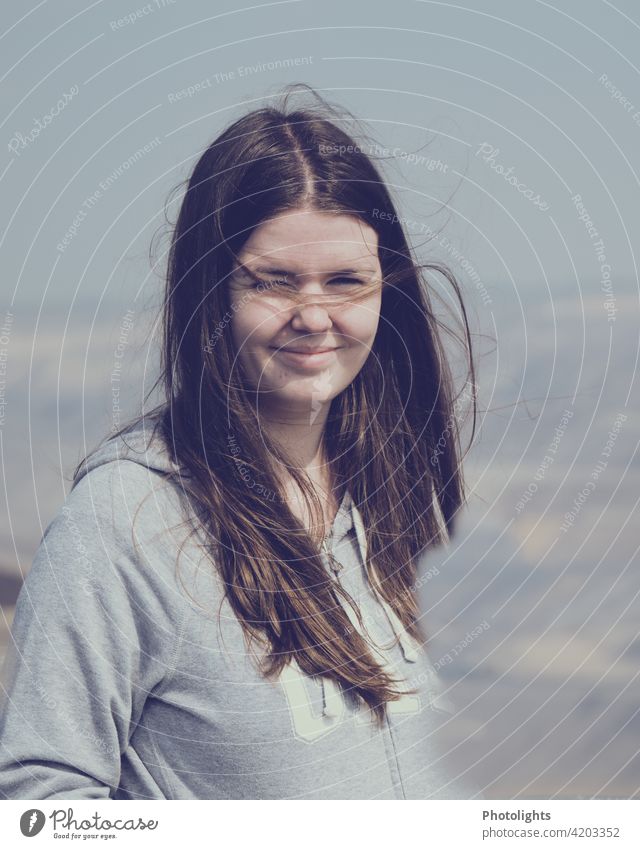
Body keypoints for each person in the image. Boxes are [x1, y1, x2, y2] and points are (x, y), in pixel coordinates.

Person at [0, 85, 480, 799]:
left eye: (347, 281)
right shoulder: (124, 520)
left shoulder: (379, 485)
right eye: (275, 283)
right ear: (210, 292)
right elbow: (40, 801)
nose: (314, 316)